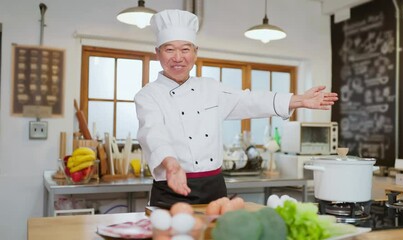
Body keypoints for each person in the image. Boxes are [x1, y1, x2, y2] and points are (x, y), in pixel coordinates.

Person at [135, 9, 338, 206]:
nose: (178, 58)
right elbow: (153, 134)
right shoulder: (148, 95)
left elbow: (251, 100)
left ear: (195, 53)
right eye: (169, 49)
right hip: (171, 188)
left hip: (214, 189)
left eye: (185, 49)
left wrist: (299, 100)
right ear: (157, 54)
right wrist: (171, 165)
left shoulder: (210, 88)